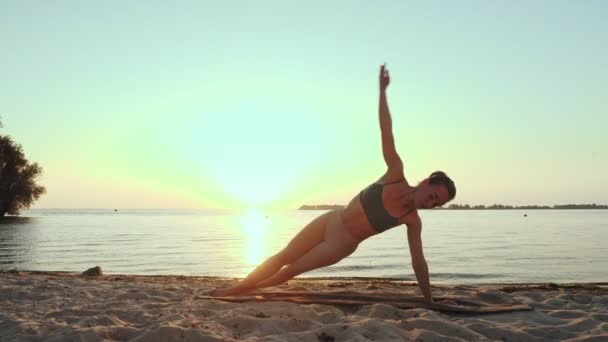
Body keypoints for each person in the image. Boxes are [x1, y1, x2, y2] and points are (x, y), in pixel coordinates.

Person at [210, 65, 456, 307]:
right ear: (425, 182)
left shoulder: (411, 219)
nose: (431, 203)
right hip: (331, 220)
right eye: (433, 195)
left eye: (437, 203)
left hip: (340, 243)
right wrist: (382, 92)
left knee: (290, 271)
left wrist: (428, 299)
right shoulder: (395, 174)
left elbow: (418, 261)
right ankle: (239, 288)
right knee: (284, 255)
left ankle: (252, 289)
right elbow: (386, 130)